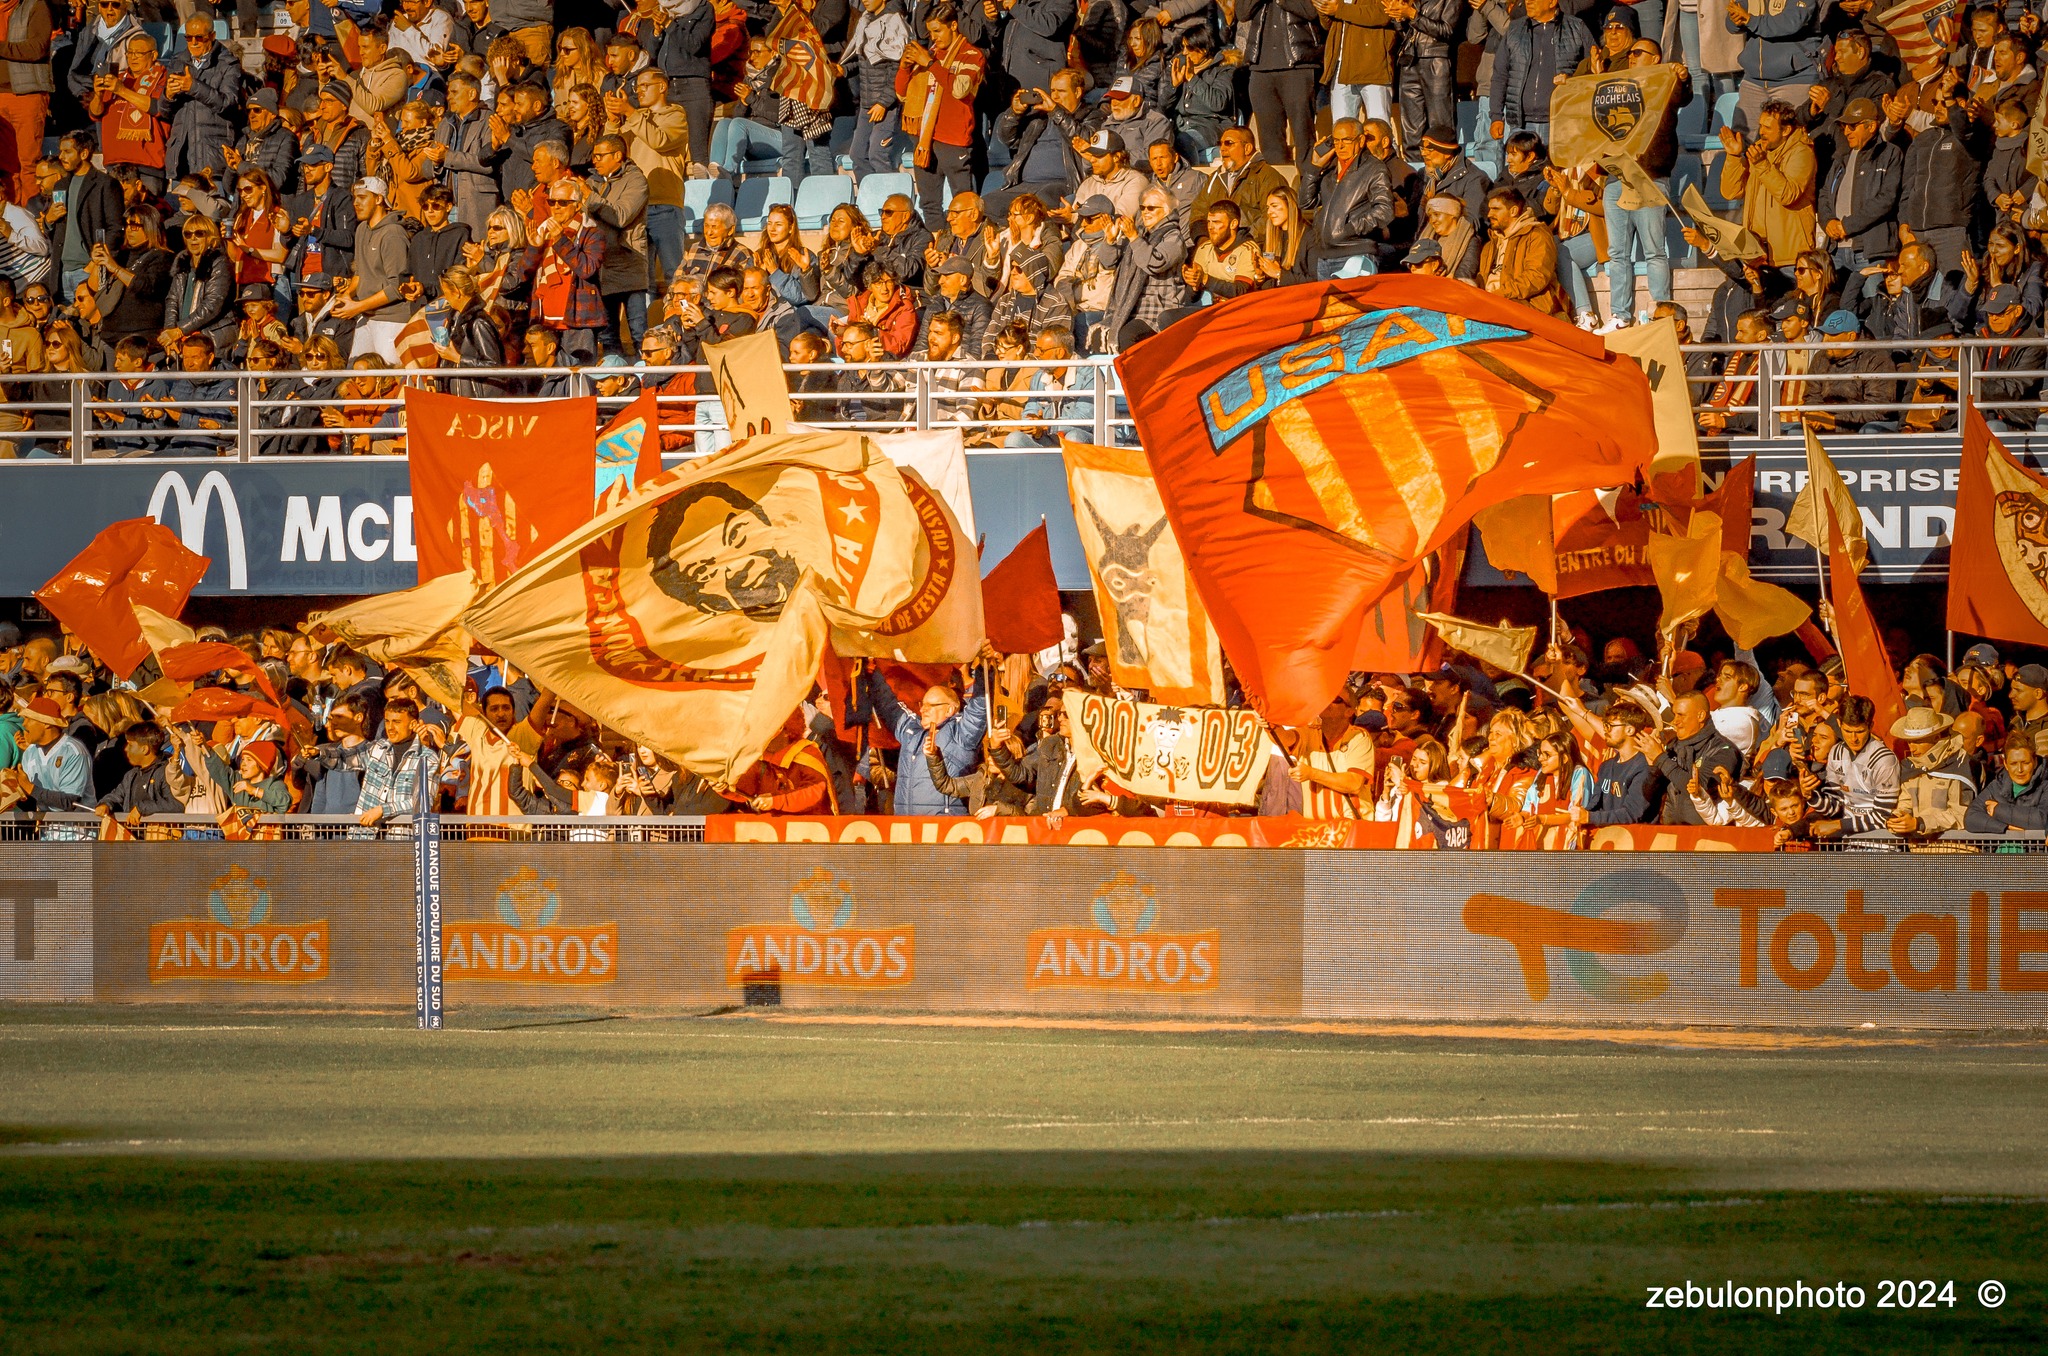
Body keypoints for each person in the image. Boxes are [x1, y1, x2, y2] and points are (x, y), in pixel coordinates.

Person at [859, 663, 989, 815]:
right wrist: (872, 673)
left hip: (945, 825)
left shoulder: (962, 732)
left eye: (930, 705)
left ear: (950, 709)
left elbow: (980, 705)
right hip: (906, 826)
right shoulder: (910, 730)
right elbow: (888, 704)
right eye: (923, 704)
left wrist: (986, 667)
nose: (922, 710)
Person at [1302, 118, 1394, 278]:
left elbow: (1385, 210)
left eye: (1346, 140)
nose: (1340, 146)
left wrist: (1350, 229)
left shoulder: (1374, 168)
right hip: (1324, 256)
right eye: (1336, 141)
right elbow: (1305, 202)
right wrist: (1314, 168)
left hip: (1355, 254)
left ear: (1361, 140)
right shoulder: (1330, 171)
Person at [1478, 185, 1564, 313]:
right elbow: (1482, 279)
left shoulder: (1537, 235)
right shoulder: (1490, 245)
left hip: (1528, 306)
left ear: (1513, 211)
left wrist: (1500, 294)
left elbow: (1536, 277)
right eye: (1490, 209)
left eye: (1496, 209)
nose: (1489, 214)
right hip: (1491, 302)